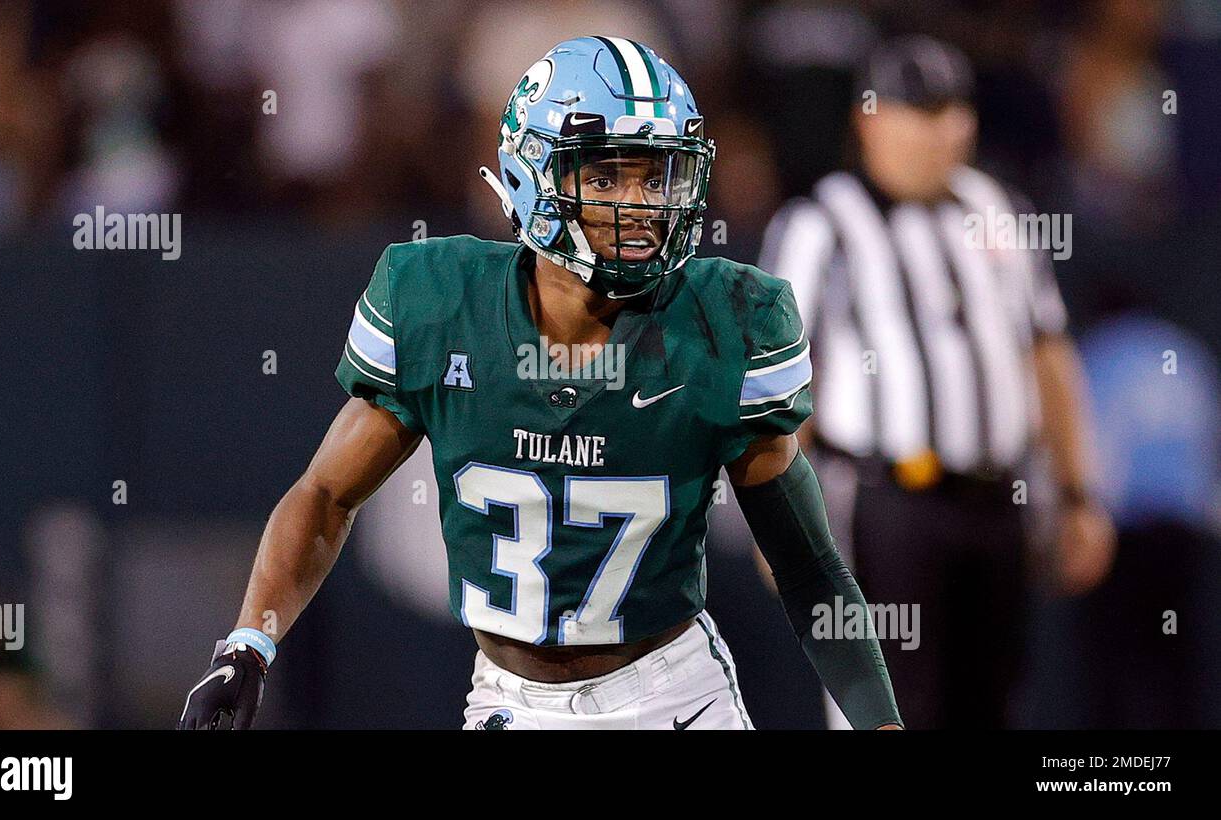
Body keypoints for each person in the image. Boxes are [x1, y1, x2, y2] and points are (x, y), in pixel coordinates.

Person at [178, 36, 899, 730]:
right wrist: (249, 643)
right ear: (534, 176)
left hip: (676, 699)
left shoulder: (722, 322)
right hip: (511, 704)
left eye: (657, 174)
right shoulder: (439, 303)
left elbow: (806, 563)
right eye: (608, 174)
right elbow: (327, 495)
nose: (642, 203)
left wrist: (879, 723)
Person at [758, 35, 1115, 728]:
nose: (946, 129)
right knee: (889, 708)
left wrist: (1077, 491)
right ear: (871, 120)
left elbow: (1047, 354)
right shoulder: (819, 223)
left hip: (996, 502)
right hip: (887, 505)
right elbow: (779, 384)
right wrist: (782, 525)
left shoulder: (998, 210)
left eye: (955, 110)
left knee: (995, 705)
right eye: (923, 111)